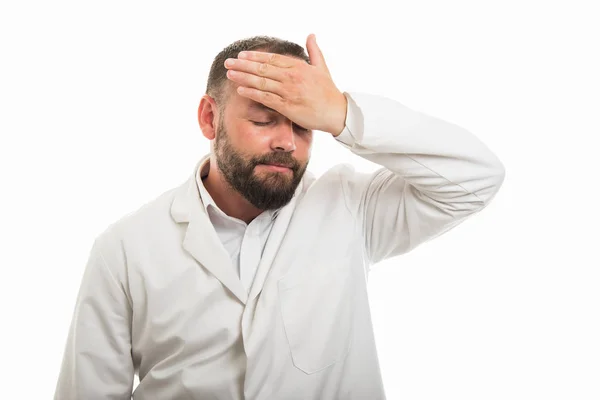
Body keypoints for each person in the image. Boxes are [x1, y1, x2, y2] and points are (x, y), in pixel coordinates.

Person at [54, 33, 505, 399]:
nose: (288, 142)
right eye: (266, 119)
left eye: (304, 123)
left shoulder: (350, 208)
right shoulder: (124, 250)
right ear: (210, 119)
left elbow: (475, 178)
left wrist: (342, 113)